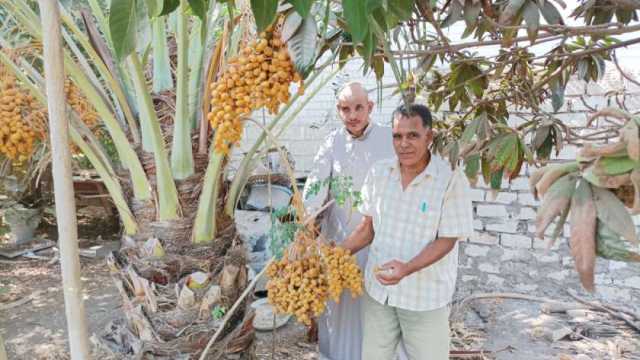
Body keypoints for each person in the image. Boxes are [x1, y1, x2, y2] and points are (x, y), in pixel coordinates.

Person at [342, 104, 474, 360]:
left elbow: (447, 239)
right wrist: (334, 253)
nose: (404, 144)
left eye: (413, 135)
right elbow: (366, 229)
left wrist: (407, 268)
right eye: (397, 136)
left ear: (429, 136)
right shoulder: (379, 173)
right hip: (378, 293)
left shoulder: (449, 178)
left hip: (424, 297)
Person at [302, 82, 395, 360]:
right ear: (338, 110)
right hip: (339, 245)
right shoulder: (332, 142)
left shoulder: (389, 139)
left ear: (370, 107)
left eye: (358, 107)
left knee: (375, 310)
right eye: (345, 108)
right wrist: (308, 217)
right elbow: (316, 186)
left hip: (379, 242)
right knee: (339, 310)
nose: (352, 114)